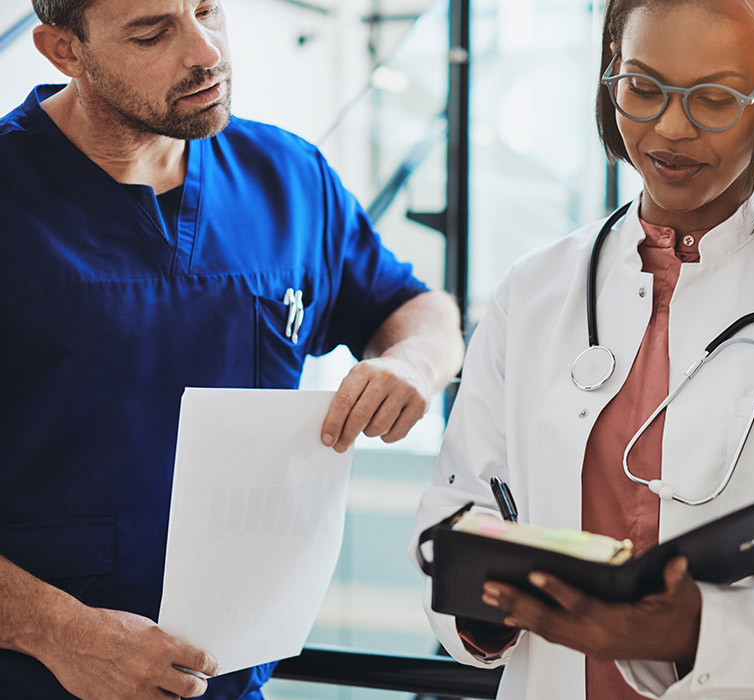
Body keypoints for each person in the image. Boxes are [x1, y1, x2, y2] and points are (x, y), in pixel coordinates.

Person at [408, 1, 754, 698]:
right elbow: (462, 499)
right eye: (643, 88)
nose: (672, 128)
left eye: (714, 98)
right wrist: (482, 605)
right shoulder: (532, 290)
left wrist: (694, 629)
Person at [0, 1, 464, 699]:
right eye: (154, 32)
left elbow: (413, 307)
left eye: (209, 10)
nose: (205, 50)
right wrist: (60, 633)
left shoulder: (289, 177)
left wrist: (413, 363)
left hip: (230, 678)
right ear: (64, 50)